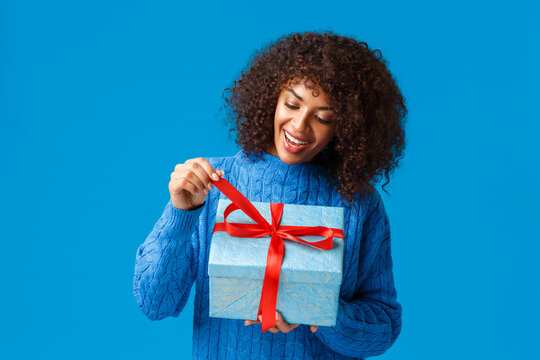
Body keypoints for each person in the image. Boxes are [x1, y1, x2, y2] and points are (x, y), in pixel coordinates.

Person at [133, 31, 407, 359]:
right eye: (292, 103)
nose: (300, 126)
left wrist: (320, 312)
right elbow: (154, 302)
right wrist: (181, 214)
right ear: (271, 98)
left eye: (322, 117)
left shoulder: (358, 203)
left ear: (345, 128)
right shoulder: (214, 184)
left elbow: (384, 328)